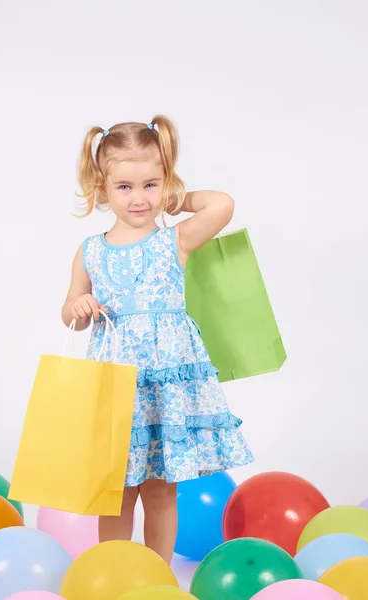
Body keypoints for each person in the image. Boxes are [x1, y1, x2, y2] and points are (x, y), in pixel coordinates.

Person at [61, 115, 254, 564]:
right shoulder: (90, 251)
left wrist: (178, 198)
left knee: (162, 491)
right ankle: (115, 570)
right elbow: (69, 311)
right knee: (118, 490)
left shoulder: (175, 241)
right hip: (118, 385)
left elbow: (222, 204)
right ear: (101, 186)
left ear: (165, 182)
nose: (140, 197)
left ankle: (156, 573)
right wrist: (79, 308)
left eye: (151, 184)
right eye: (125, 186)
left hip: (163, 388)